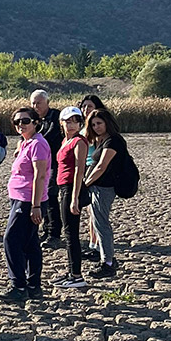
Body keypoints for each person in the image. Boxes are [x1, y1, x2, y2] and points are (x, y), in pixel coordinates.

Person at [0, 108, 51, 303]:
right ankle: (33, 285)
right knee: (29, 242)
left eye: (25, 121)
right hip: (19, 198)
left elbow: (40, 175)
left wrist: (35, 206)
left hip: (28, 201)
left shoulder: (38, 144)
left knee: (11, 240)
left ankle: (18, 285)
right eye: (17, 121)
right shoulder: (25, 143)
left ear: (36, 122)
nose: (21, 125)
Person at [82, 108, 125, 279]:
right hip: (98, 186)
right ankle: (106, 258)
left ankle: (108, 263)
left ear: (107, 122)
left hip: (105, 188)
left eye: (99, 123)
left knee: (101, 224)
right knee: (97, 221)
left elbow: (101, 166)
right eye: (93, 124)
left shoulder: (113, 141)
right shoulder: (102, 140)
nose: (96, 127)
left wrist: (85, 183)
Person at [52, 107, 89, 289]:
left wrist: (74, 197)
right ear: (62, 123)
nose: (71, 124)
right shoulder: (65, 141)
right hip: (63, 187)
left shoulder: (79, 142)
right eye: (68, 121)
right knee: (68, 232)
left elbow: (79, 170)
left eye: (75, 121)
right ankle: (71, 271)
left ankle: (76, 274)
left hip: (72, 189)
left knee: (71, 232)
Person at [78, 95, 108, 262]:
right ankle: (92, 243)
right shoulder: (86, 126)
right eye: (83, 107)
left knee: (95, 211)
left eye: (89, 106)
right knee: (90, 211)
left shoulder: (98, 128)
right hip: (85, 167)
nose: (86, 110)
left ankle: (96, 246)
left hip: (93, 167)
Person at [31, 90, 63, 248]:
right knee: (43, 196)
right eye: (33, 103)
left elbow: (50, 137)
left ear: (47, 102)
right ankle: (46, 229)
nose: (35, 106)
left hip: (56, 164)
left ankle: (54, 233)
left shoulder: (57, 117)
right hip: (42, 164)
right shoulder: (34, 120)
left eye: (38, 103)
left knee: (51, 196)